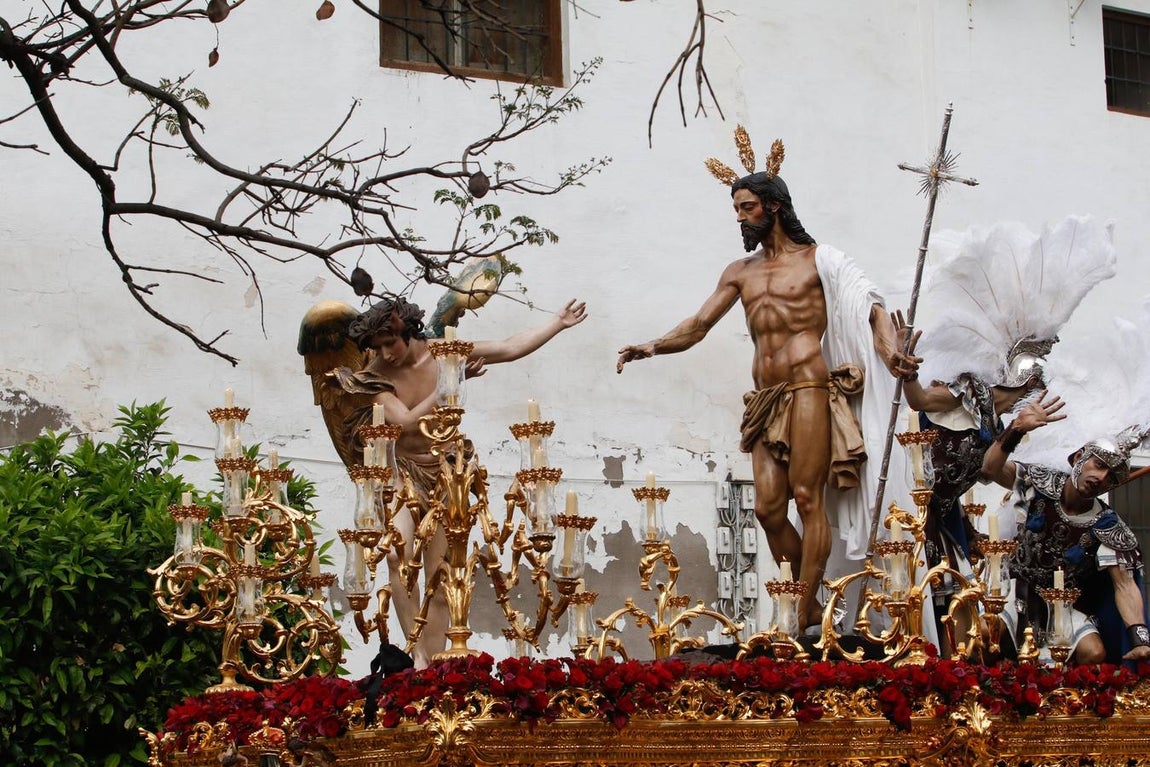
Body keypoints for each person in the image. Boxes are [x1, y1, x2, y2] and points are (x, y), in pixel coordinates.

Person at [617, 163, 912, 629]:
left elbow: (868, 306)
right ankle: (810, 602)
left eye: (747, 208)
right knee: (768, 509)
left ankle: (800, 608)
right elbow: (697, 326)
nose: (740, 218)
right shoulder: (741, 272)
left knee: (806, 497)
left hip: (809, 385)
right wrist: (653, 345)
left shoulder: (820, 260)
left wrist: (890, 351)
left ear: (774, 206)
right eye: (736, 210)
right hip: (765, 397)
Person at [328, 295, 587, 666]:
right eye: (377, 347)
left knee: (440, 577)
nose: (385, 354)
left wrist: (556, 323)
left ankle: (432, 665)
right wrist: (452, 381)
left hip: (448, 473)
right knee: (397, 555)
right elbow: (404, 422)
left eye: (390, 343)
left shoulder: (446, 352)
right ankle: (415, 652)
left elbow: (509, 347)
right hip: (402, 471)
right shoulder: (377, 376)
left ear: (409, 332)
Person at [981, 400, 1150, 664]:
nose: (1102, 477)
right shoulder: (1039, 481)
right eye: (1099, 465)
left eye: (1111, 477)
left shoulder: (1108, 526)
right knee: (983, 632)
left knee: (1094, 652)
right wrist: (1016, 429)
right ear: (1078, 457)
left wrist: (1139, 637)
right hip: (1014, 590)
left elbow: (1125, 585)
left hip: (1062, 606)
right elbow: (990, 468)